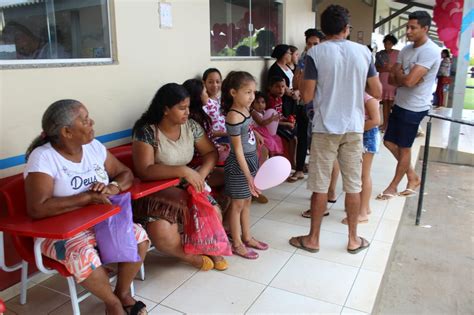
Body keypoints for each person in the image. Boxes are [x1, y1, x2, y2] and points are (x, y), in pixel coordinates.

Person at [24, 100, 149, 315]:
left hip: (98, 223)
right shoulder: (43, 157)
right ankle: (113, 304)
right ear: (66, 131)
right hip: (59, 232)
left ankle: (122, 293)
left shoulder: (93, 147)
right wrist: (87, 197)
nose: (91, 122)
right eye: (84, 120)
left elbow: (125, 173)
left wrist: (112, 187)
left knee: (139, 236)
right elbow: (38, 208)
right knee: (84, 256)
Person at [289, 4, 381, 254]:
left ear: (324, 28)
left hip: (324, 127)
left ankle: (313, 239)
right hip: (353, 127)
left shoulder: (315, 54)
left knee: (319, 185)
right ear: (346, 28)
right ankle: (353, 239)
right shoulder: (364, 53)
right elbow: (377, 91)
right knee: (353, 185)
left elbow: (307, 95)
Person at [131, 83, 228, 271]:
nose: (187, 112)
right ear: (166, 109)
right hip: (155, 191)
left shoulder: (190, 126)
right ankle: (192, 258)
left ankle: (210, 248)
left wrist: (201, 173)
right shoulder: (146, 131)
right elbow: (145, 170)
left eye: (188, 107)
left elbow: (210, 153)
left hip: (184, 184)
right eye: (182, 108)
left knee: (211, 210)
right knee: (162, 233)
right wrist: (182, 170)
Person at [378, 11, 441, 200]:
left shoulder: (430, 51)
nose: (408, 31)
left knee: (405, 147)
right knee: (388, 142)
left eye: (413, 28)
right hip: (401, 102)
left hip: (415, 107)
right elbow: (392, 78)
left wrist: (403, 76)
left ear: (425, 29)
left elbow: (409, 82)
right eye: (407, 27)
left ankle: (394, 186)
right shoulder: (406, 50)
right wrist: (404, 76)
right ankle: (412, 176)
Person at [221, 71, 269, 259]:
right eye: (248, 92)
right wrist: (248, 175)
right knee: (237, 204)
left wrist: (255, 134)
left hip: (251, 159)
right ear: (233, 92)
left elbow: (246, 128)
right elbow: (237, 150)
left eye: (254, 92)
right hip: (239, 165)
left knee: (248, 200)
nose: (252, 97)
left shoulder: (245, 110)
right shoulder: (233, 116)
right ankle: (237, 243)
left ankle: (247, 236)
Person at [342, 93, 381, 224]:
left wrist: (356, 130)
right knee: (360, 174)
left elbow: (376, 120)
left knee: (363, 174)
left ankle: (362, 213)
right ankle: (365, 206)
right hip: (361, 133)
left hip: (367, 136)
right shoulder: (357, 94)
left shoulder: (368, 97)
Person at [266, 76, 297, 168]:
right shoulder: (270, 101)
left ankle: (293, 161)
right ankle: (293, 162)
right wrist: (286, 123)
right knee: (293, 138)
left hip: (279, 124)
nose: (281, 89)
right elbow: (271, 121)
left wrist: (288, 119)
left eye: (283, 87)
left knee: (297, 132)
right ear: (270, 88)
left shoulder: (279, 98)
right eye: (277, 87)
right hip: (273, 127)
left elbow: (279, 115)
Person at [2, 21, 69, 59]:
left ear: (23, 38)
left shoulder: (54, 50)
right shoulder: (24, 54)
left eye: (19, 47)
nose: (18, 51)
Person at [375, 34, 400, 132]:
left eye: (389, 43)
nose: (387, 45)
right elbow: (376, 68)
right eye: (385, 43)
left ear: (393, 44)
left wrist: (392, 69)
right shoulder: (380, 54)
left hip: (393, 82)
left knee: (393, 105)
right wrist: (385, 68)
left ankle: (392, 125)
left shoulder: (398, 54)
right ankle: (385, 124)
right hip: (383, 81)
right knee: (385, 104)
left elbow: (401, 67)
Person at [250, 91, 283, 157]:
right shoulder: (254, 113)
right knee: (270, 143)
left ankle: (271, 160)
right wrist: (271, 119)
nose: (260, 105)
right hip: (258, 132)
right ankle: (270, 159)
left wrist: (275, 119)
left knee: (273, 142)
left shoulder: (264, 112)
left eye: (263, 102)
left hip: (265, 131)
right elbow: (261, 123)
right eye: (257, 102)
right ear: (252, 104)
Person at [202, 68, 228, 144]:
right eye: (210, 82)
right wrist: (230, 134)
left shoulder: (221, 100)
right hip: (216, 140)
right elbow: (207, 132)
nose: (215, 85)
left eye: (217, 82)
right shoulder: (205, 103)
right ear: (204, 83)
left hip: (228, 136)